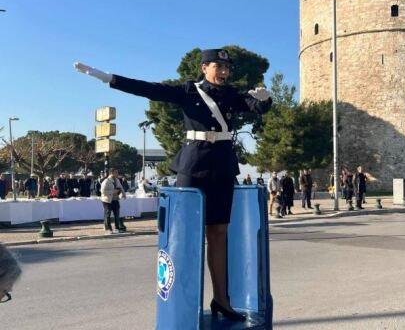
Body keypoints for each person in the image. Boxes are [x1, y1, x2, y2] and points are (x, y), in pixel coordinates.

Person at [75, 48, 271, 322]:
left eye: (228, 69)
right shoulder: (188, 91)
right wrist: (109, 78)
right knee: (184, 235)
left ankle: (221, 300)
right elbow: (150, 90)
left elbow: (256, 107)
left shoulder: (230, 94)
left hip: (223, 166)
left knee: (218, 234)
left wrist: (265, 98)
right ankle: (181, 301)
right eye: (219, 67)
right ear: (204, 68)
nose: (224, 73)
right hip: (192, 166)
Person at [100, 169, 126, 234]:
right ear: (111, 173)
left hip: (115, 199)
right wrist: (113, 192)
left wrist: (123, 194)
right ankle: (108, 228)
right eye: (116, 172)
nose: (117, 174)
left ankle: (117, 228)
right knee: (107, 214)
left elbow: (121, 187)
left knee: (117, 214)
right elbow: (102, 191)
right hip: (107, 200)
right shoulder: (106, 181)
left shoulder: (117, 180)